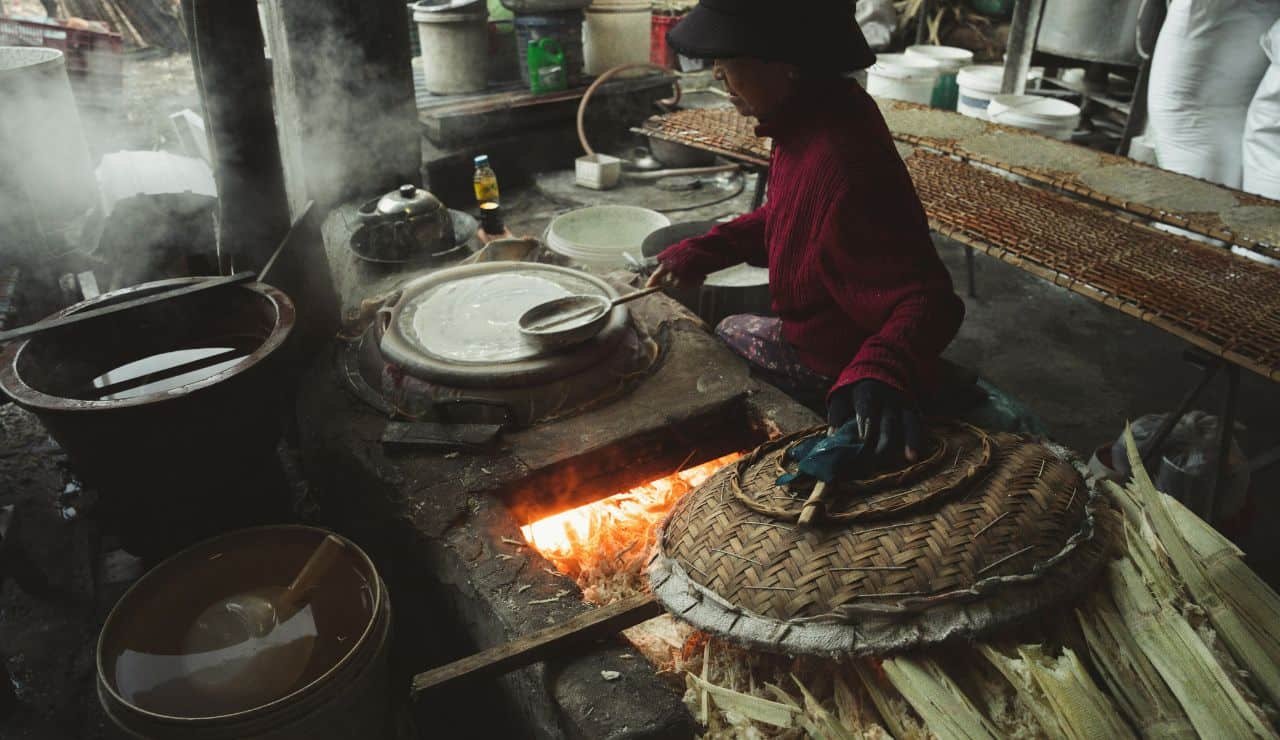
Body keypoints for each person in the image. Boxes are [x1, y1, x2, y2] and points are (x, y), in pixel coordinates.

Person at [648, 0, 965, 464]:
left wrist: (878, 369)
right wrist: (701, 251)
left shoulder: (840, 161)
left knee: (726, 332)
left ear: (786, 63)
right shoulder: (814, 116)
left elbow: (928, 301)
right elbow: (793, 216)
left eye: (727, 58)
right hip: (826, 327)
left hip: (835, 361)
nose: (717, 74)